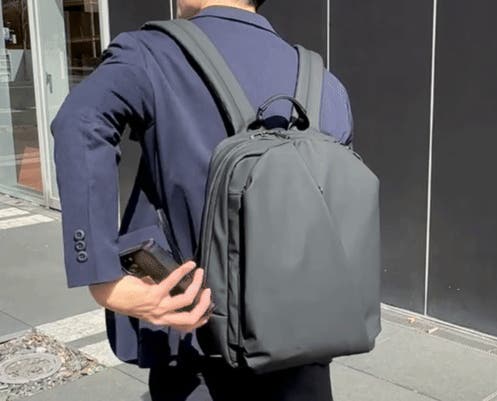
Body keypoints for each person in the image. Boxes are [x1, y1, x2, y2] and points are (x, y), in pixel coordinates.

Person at [50, 0, 353, 399]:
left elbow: (80, 122)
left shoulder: (152, 53)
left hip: (198, 344)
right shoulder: (325, 83)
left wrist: (102, 275)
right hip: (306, 347)